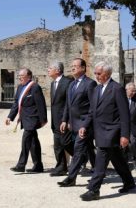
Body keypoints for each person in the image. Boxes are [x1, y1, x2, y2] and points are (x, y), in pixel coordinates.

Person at [79, 61, 135, 201]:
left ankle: (94, 190)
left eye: (99, 73)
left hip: (112, 131)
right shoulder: (97, 89)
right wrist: (84, 125)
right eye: (96, 73)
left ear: (108, 73)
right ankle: (129, 182)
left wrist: (124, 135)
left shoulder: (117, 88)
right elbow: (92, 111)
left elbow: (124, 114)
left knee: (100, 160)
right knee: (117, 158)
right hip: (99, 131)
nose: (96, 76)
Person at [57, 58, 97, 187]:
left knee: (78, 150)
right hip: (72, 124)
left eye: (76, 66)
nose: (72, 67)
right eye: (72, 65)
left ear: (83, 68)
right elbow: (68, 105)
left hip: (84, 125)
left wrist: (85, 125)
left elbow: (93, 107)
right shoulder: (72, 84)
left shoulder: (90, 84)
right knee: (85, 147)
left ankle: (71, 178)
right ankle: (97, 171)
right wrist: (64, 120)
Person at [5, 68, 47, 173]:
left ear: (28, 76)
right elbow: (16, 103)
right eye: (18, 76)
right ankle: (38, 166)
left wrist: (43, 120)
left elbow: (41, 104)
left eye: (21, 76)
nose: (19, 78)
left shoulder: (35, 87)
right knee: (33, 143)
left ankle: (21, 165)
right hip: (25, 118)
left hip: (32, 119)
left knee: (26, 140)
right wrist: (10, 116)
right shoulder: (20, 87)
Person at [48, 61, 73, 176]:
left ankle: (82, 157)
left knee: (66, 143)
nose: (48, 70)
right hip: (55, 120)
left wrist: (66, 120)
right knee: (57, 145)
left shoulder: (67, 82)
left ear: (57, 70)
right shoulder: (53, 84)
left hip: (64, 120)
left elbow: (69, 103)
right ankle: (61, 167)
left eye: (50, 68)